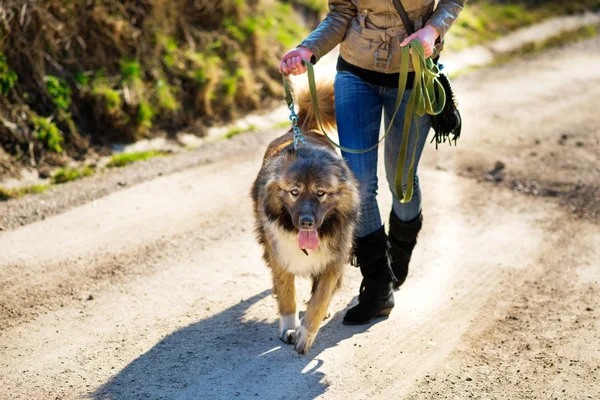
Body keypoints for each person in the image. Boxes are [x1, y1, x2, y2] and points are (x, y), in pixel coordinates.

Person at [280, 0, 465, 325]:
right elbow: (341, 13)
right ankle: (378, 283)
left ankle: (400, 249)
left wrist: (433, 29)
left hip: (413, 73)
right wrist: (307, 49)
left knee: (402, 182)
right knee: (357, 184)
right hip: (356, 73)